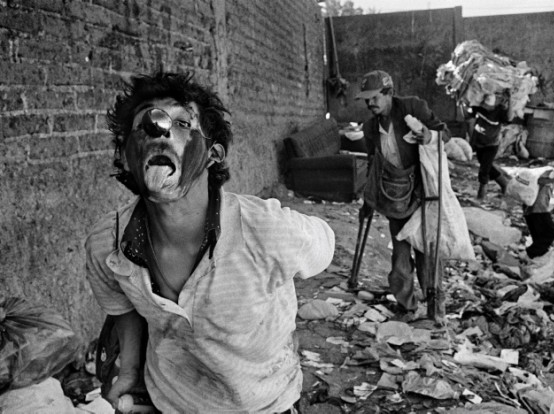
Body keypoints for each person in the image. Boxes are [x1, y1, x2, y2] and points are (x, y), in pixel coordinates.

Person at [85, 71, 335, 413]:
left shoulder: (268, 230)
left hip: (266, 403)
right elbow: (122, 306)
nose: (160, 132)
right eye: (145, 126)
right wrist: (129, 370)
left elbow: (323, 245)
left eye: (182, 123)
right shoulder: (108, 244)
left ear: (212, 153)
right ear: (127, 157)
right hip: (171, 401)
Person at [356, 69, 451, 316]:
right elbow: (373, 163)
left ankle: (435, 306)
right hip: (394, 195)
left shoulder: (412, 107)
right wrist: (368, 202)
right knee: (400, 257)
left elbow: (444, 133)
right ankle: (406, 306)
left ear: (389, 93)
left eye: (375, 97)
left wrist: (428, 136)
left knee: (426, 253)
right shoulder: (370, 127)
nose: (370, 103)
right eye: (367, 99)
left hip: (421, 192)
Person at [467, 93, 511, 200]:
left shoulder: (499, 112)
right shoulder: (478, 109)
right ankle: (504, 184)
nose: (486, 107)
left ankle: (481, 195)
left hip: (492, 145)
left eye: (488, 106)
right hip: (479, 143)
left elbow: (509, 118)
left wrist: (510, 101)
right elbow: (469, 117)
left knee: (484, 170)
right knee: (486, 166)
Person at [522, 161, 554, 259]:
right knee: (550, 233)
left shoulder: (539, 178)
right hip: (539, 210)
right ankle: (530, 253)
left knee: (538, 235)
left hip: (528, 209)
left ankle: (537, 256)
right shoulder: (550, 178)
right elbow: (542, 200)